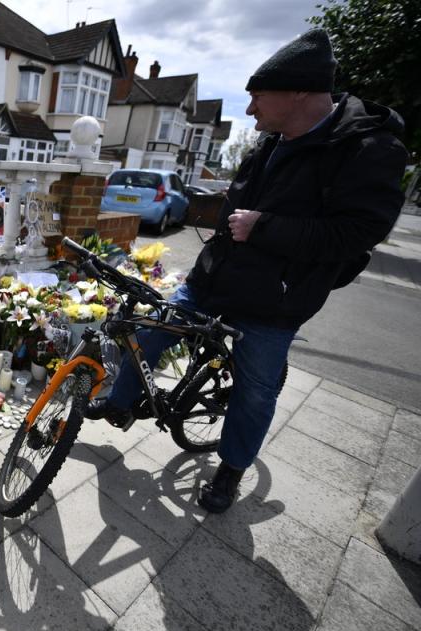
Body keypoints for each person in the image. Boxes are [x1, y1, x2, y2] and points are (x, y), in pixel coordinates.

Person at [85, 28, 408, 513]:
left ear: (298, 90)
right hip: (211, 283)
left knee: (254, 393)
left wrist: (266, 228)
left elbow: (356, 234)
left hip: (274, 304)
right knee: (147, 333)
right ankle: (120, 403)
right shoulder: (271, 143)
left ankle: (230, 471)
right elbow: (231, 209)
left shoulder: (370, 150)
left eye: (257, 97)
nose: (251, 110)